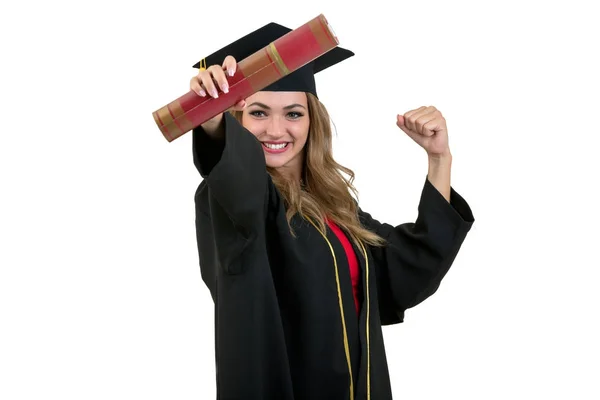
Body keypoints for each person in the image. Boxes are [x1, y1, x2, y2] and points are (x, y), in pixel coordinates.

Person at [190, 22, 474, 400]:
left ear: (312, 122)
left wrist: (439, 160)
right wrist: (212, 124)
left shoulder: (333, 206)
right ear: (237, 119)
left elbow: (405, 268)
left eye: (293, 114)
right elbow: (236, 183)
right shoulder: (232, 201)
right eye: (258, 113)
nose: (276, 129)